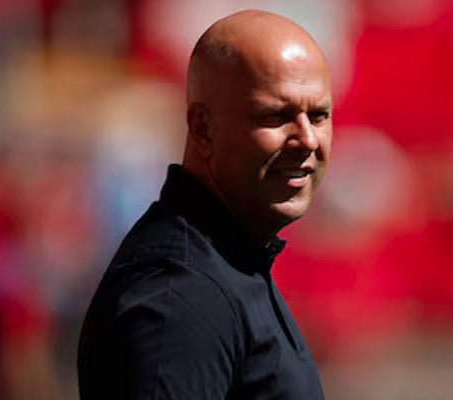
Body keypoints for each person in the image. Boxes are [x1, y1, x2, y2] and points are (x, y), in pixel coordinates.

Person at [78, 9, 332, 399]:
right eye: (275, 116)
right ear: (202, 128)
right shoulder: (175, 297)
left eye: (318, 115)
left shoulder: (230, 262)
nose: (308, 139)